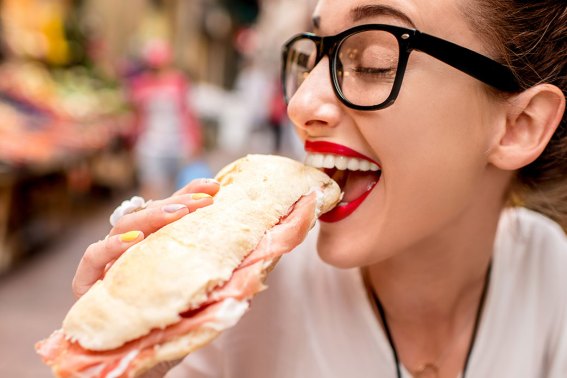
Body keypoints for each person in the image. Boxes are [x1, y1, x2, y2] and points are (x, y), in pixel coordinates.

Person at [72, 0, 567, 377]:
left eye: (374, 61)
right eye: (313, 55)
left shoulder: (550, 273)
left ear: (520, 125)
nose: (301, 102)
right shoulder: (227, 306)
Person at [127, 39, 203, 200]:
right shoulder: (140, 85)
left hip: (178, 143)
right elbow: (137, 116)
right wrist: (133, 140)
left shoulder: (178, 81)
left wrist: (195, 139)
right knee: (151, 190)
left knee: (178, 191)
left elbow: (188, 112)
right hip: (151, 145)